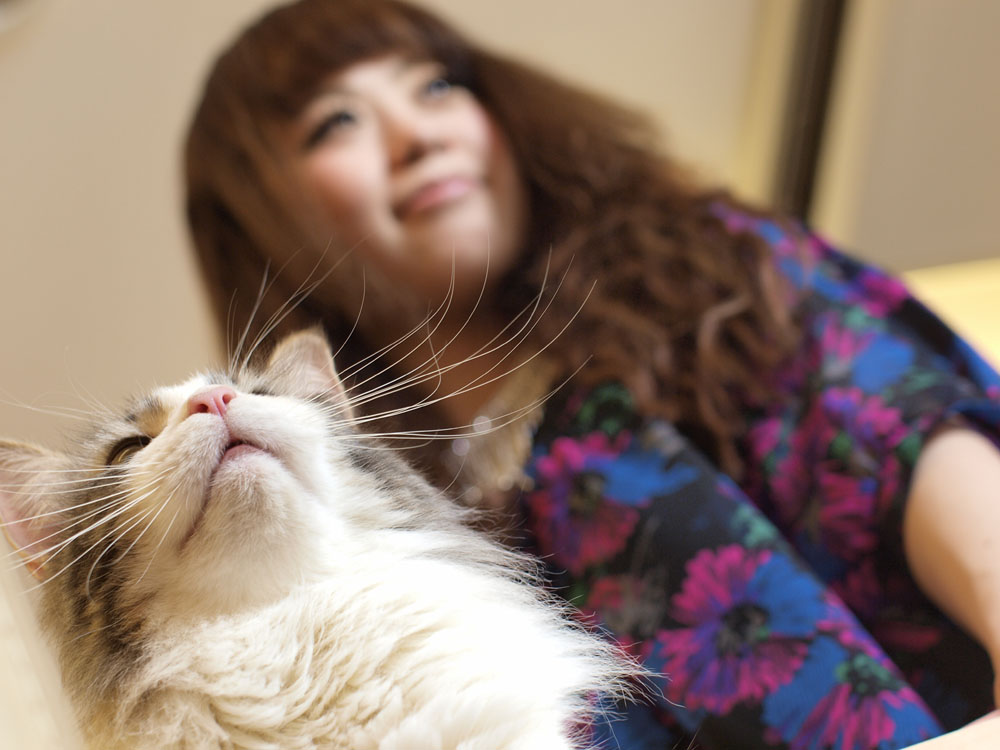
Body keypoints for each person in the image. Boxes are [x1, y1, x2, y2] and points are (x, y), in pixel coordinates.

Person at [183, 1, 1000, 746]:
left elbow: (895, 423)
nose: (417, 136)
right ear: (260, 221)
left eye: (436, 85)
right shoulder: (383, 569)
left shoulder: (711, 278)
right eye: (338, 122)